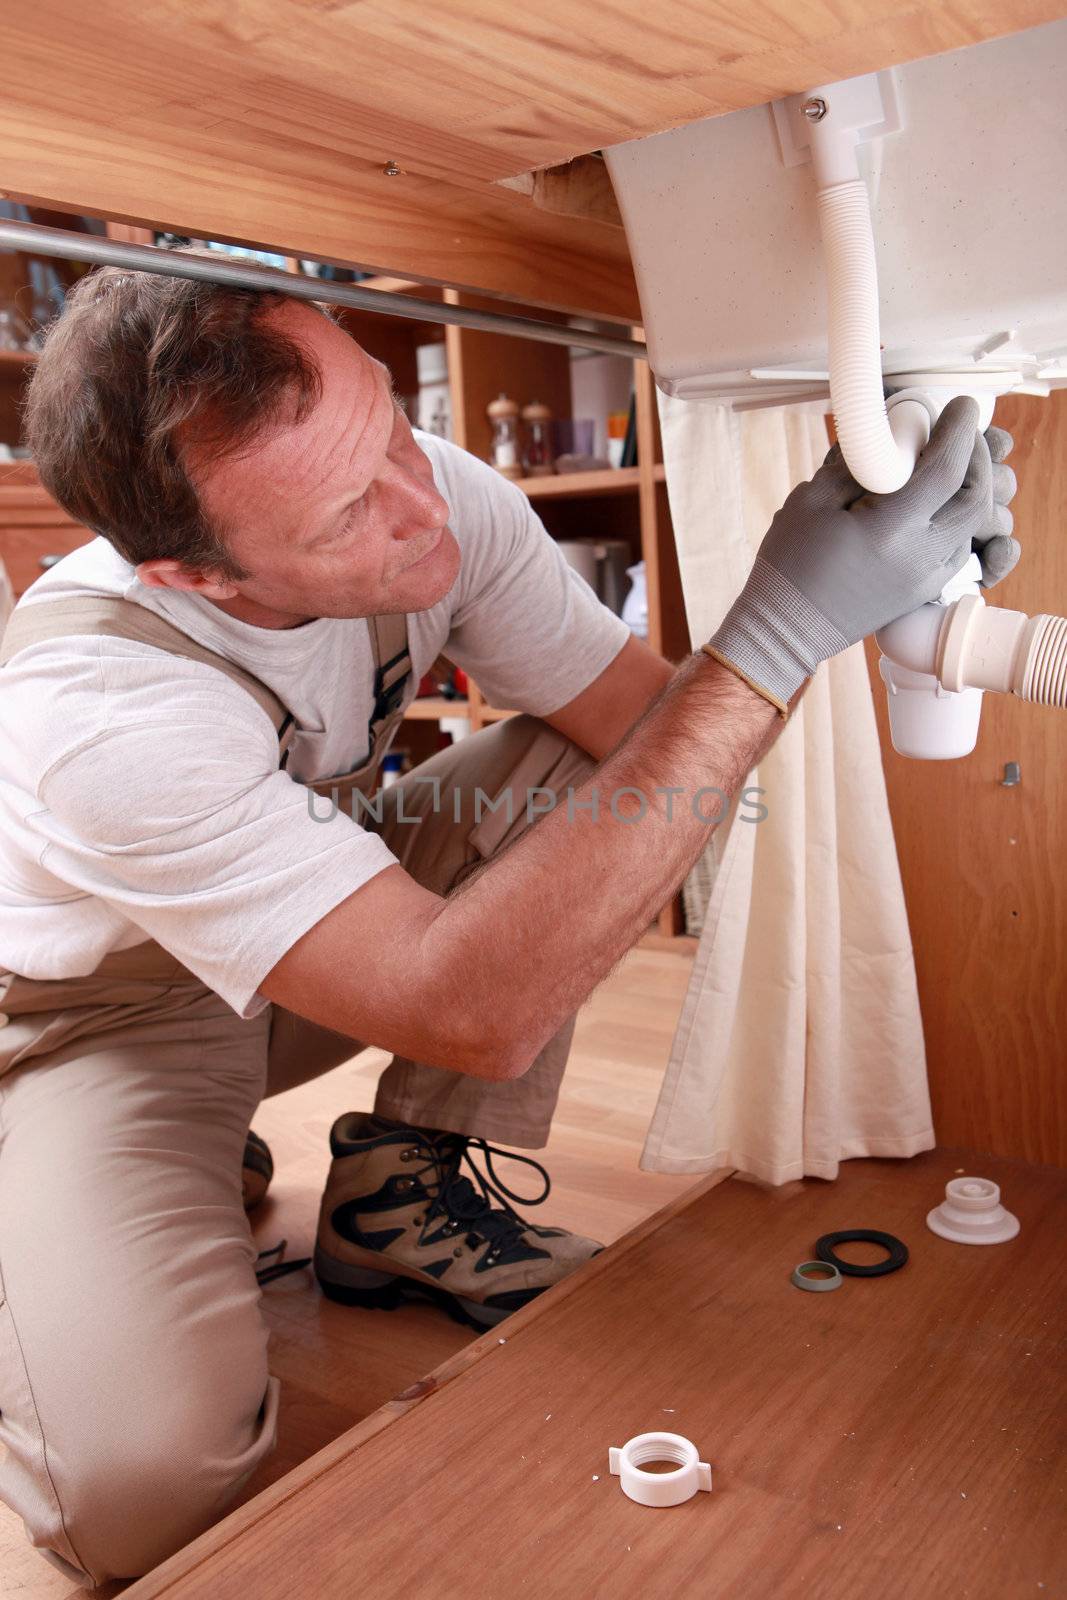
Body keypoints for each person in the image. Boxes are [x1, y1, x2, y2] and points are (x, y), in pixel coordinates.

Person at [0, 263, 1017, 1585]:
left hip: (296, 953)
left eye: (388, 430)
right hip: (97, 1026)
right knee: (149, 1492)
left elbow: (658, 751)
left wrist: (880, 593)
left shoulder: (430, 495)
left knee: (629, 769)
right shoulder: (101, 714)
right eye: (347, 512)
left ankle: (395, 1194)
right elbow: (471, 1010)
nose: (424, 512)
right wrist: (776, 628)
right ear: (188, 571)